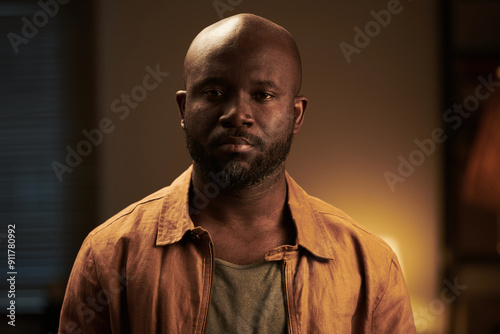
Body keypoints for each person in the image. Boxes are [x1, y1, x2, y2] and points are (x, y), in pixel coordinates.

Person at [58, 13, 416, 334]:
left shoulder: (370, 264)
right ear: (184, 107)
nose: (237, 113)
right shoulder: (108, 255)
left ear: (297, 115)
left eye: (262, 95)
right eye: (214, 92)